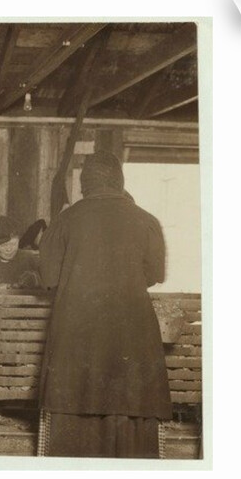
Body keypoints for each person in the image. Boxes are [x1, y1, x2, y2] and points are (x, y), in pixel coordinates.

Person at [38, 151, 171, 458]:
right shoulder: (147, 220)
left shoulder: (65, 220)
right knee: (132, 407)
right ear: (120, 180)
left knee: (73, 410)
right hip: (132, 336)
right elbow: (156, 275)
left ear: (84, 184)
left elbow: (48, 278)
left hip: (77, 335)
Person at [0, 216, 42, 289]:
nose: (9, 249)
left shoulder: (30, 260)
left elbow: (47, 285)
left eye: (13, 244)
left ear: (18, 239)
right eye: (3, 245)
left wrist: (35, 280)